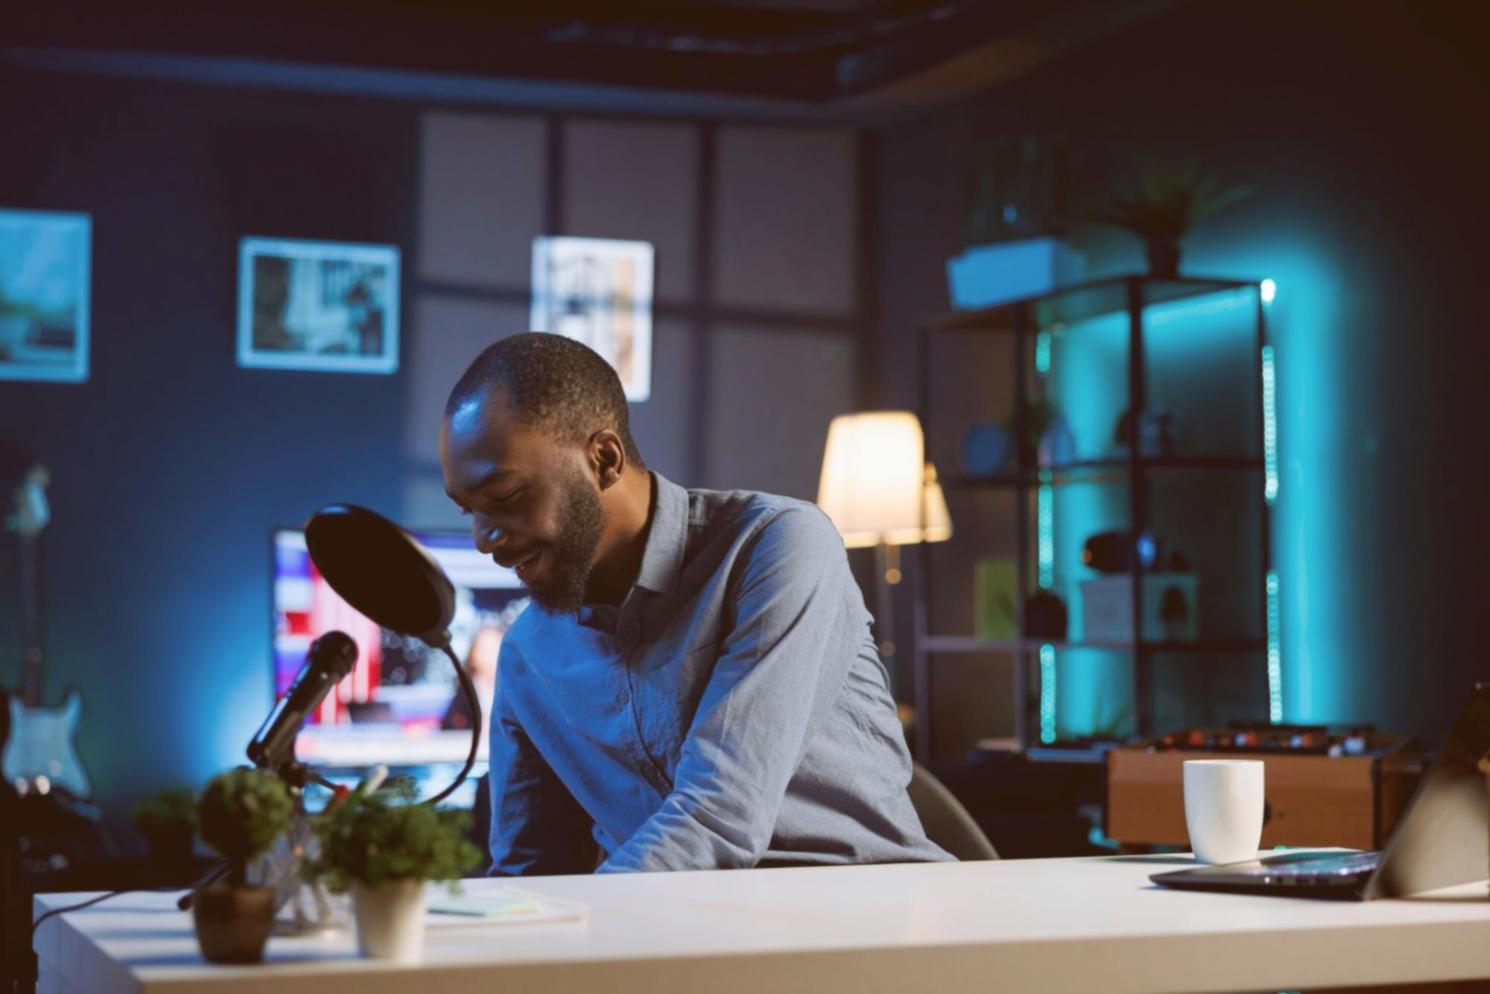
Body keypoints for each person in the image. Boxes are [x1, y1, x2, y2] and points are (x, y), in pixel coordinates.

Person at [439, 333, 951, 874]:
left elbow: (718, 817)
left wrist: (589, 927)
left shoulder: (776, 548)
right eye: (467, 510)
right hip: (673, 937)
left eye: (505, 498)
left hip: (866, 925)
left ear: (604, 459)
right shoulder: (529, 656)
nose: (483, 537)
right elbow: (531, 872)